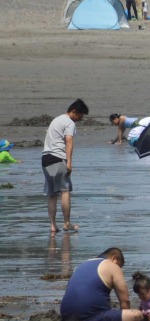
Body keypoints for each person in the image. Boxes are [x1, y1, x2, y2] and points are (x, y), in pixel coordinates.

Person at [59, 248, 146, 321]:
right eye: (120, 266)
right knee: (137, 315)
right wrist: (126, 318)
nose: (120, 270)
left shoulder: (81, 266)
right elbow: (125, 301)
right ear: (114, 258)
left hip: (66, 319)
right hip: (88, 319)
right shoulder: (112, 265)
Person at [43, 99, 88, 234]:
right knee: (65, 191)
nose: (80, 119)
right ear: (74, 111)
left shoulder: (57, 119)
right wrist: (69, 162)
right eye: (80, 116)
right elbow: (69, 141)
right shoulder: (69, 122)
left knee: (52, 194)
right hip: (58, 158)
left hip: (45, 158)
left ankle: (52, 226)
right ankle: (67, 224)